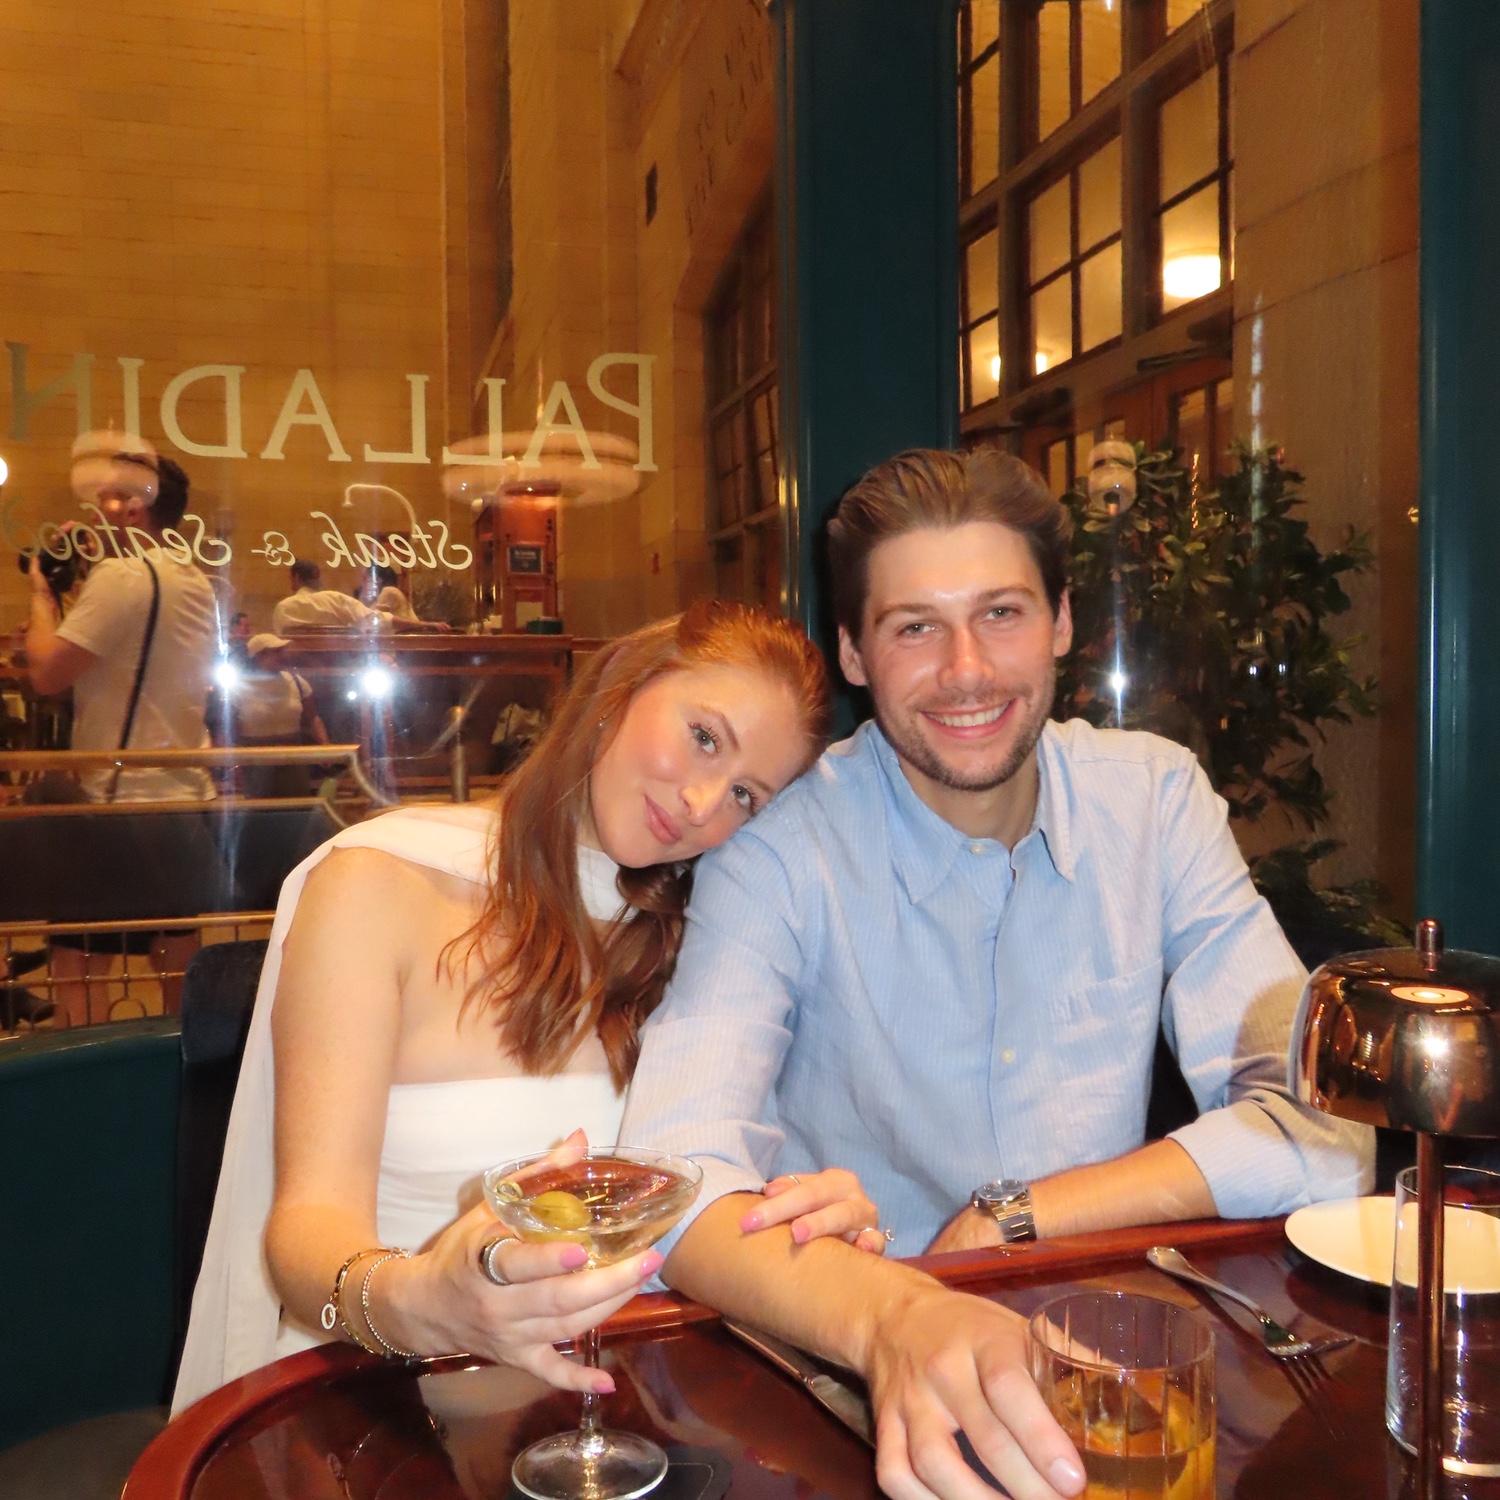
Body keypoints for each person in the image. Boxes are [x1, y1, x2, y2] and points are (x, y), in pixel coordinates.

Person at [619, 448, 1376, 1500]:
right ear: (854, 653)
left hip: (1109, 1374)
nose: (966, 669)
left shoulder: (1154, 804)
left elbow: (1327, 1128)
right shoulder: (781, 853)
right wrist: (896, 1314)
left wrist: (1021, 1215)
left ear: (1061, 622)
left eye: (1002, 614)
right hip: (849, 1397)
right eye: (914, 628)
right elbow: (672, 1180)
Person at [173, 601, 887, 1415]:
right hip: (382, 1413)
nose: (702, 803)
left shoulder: (715, 949)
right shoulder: (379, 886)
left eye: (746, 796)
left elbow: (715, 1214)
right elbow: (303, 1242)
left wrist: (805, 1219)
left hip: (626, 1415)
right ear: (622, 686)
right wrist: (416, 1300)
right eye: (703, 736)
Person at [23, 451, 218, 1024]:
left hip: (117, 801)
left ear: (135, 508)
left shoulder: (123, 577)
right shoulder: (193, 580)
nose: (94, 511)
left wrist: (42, 595)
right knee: (176, 957)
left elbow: (47, 673)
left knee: (79, 963)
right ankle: (185, 1069)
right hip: (181, 797)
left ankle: (90, 1077)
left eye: (106, 499)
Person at [230, 632, 329, 797]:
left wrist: (325, 747)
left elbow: (313, 719)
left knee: (296, 802)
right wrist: (233, 764)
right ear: (259, 656)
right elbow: (230, 729)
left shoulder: (297, 682)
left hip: (292, 756)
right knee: (259, 805)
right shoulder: (238, 688)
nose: (283, 655)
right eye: (276, 651)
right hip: (255, 760)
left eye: (282, 650)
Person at [272, 557, 450, 635]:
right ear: (318, 576)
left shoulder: (283, 608)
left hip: (299, 671)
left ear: (296, 578)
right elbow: (378, 620)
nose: (362, 583)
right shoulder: (335, 600)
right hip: (339, 672)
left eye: (365, 578)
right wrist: (427, 624)